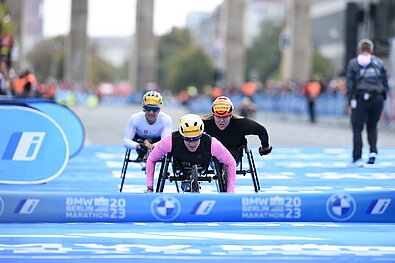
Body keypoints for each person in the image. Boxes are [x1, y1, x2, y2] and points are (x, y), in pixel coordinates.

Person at [145, 114, 236, 193]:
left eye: (196, 139)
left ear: (201, 135)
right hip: (179, 167)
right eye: (188, 139)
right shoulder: (169, 141)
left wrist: (230, 191)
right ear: (181, 135)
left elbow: (231, 162)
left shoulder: (212, 143)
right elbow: (151, 159)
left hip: (202, 167)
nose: (192, 144)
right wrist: (150, 188)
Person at [346, 39, 389, 165]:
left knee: (357, 128)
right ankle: (373, 152)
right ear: (371, 51)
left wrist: (350, 101)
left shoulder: (354, 63)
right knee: (372, 126)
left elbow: (350, 84)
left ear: (359, 50)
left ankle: (357, 156)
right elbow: (385, 82)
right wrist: (383, 97)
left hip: (360, 99)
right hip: (377, 99)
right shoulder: (379, 63)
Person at [202, 96, 272, 163]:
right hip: (211, 152)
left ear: (231, 115)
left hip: (234, 152)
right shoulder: (203, 122)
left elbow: (261, 130)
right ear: (213, 115)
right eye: (218, 117)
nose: (221, 120)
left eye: (225, 117)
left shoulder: (242, 123)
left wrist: (265, 146)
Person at [123, 91, 172, 162]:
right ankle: (143, 155)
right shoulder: (135, 118)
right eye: (148, 109)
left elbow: (166, 141)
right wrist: (139, 145)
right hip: (140, 142)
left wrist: (152, 146)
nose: (151, 112)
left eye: (155, 109)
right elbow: (125, 141)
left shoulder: (166, 119)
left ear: (159, 110)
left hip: (157, 143)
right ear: (144, 108)